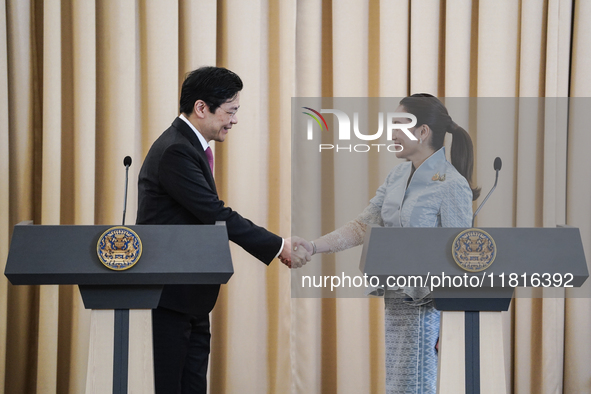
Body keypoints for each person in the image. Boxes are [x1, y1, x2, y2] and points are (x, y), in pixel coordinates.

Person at [135, 66, 309, 394]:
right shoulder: (175, 150)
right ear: (202, 108)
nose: (234, 120)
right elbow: (215, 213)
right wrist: (278, 245)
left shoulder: (187, 146)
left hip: (190, 296)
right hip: (169, 298)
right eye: (230, 111)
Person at [292, 94, 480, 393]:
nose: (391, 133)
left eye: (399, 125)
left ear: (423, 132)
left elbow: (463, 260)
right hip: (396, 302)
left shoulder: (452, 185)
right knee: (398, 386)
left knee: (415, 387)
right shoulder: (398, 174)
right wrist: (313, 246)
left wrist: (451, 326)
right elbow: (362, 225)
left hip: (428, 309)